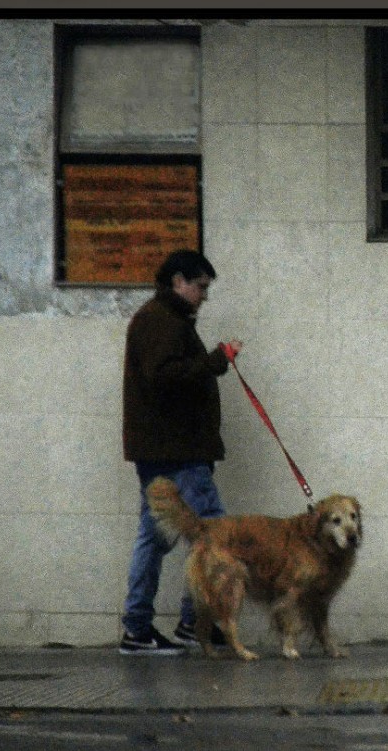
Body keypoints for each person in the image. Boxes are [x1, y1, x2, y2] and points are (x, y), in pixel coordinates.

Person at [119, 249, 242, 656]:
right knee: (214, 533)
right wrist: (214, 361)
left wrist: (212, 363)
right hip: (177, 450)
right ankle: (196, 623)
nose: (204, 296)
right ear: (178, 281)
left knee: (155, 538)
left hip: (164, 448)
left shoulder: (163, 320)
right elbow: (166, 378)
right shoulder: (161, 322)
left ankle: (142, 628)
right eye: (200, 287)